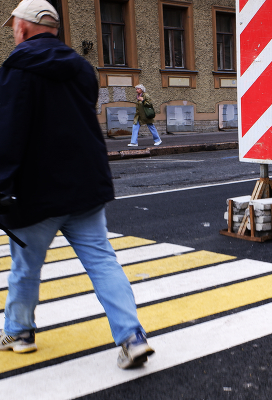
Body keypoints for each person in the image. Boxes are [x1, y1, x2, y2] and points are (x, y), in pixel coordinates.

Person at [0, 0, 154, 369]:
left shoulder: (16, 69)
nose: (13, 31)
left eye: (13, 26)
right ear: (54, 29)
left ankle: (20, 333)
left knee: (25, 267)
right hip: (84, 186)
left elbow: (9, 133)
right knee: (102, 261)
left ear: (23, 28)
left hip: (35, 192)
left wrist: (2, 187)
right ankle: (132, 337)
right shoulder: (82, 69)